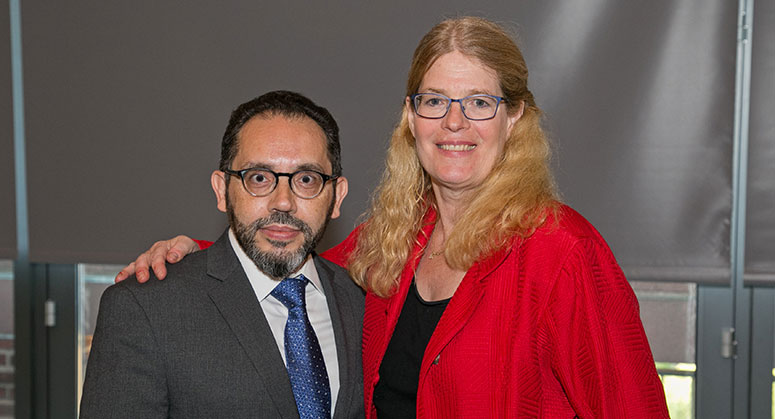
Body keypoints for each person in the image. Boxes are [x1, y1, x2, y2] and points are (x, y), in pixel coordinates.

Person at [117, 17, 670, 418]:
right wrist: (194, 251)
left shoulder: (563, 253)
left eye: (479, 102)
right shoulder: (391, 240)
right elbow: (287, 262)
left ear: (515, 117)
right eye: (434, 101)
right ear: (411, 116)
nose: (455, 122)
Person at [82, 91, 366, 419]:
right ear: (221, 191)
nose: (283, 202)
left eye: (306, 179)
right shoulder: (145, 309)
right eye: (259, 178)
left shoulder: (365, 302)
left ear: (337, 196)